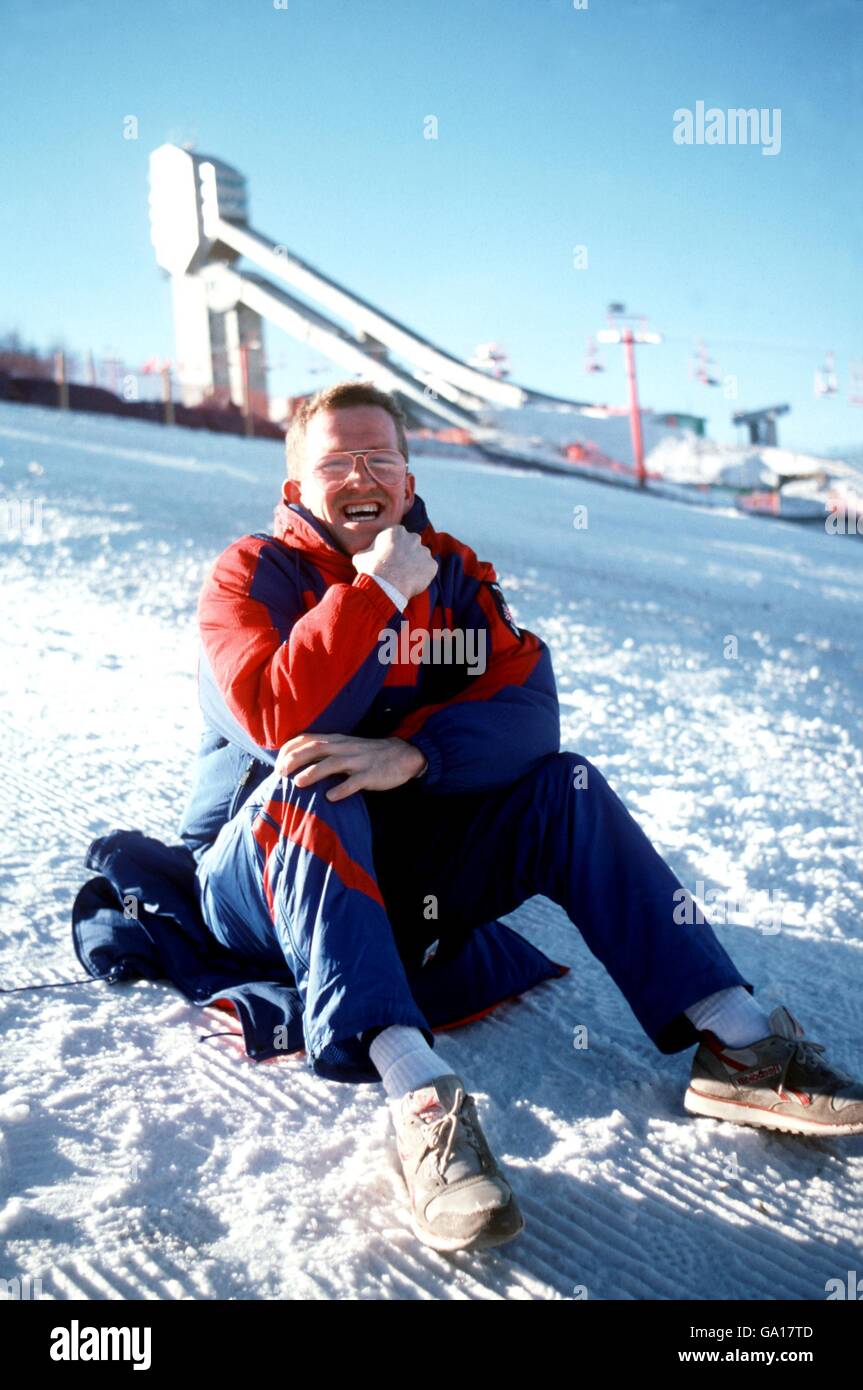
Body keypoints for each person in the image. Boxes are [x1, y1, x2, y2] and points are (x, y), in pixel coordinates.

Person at [178, 380, 863, 1255]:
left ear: (406, 473)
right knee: (318, 772)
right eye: (336, 461)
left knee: (563, 786)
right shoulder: (249, 575)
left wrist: (417, 756)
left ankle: (736, 1042)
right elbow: (277, 718)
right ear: (297, 486)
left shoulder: (451, 572)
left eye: (379, 457)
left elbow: (528, 710)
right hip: (261, 876)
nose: (362, 473)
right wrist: (374, 592)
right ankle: (419, 1095)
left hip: (391, 862)